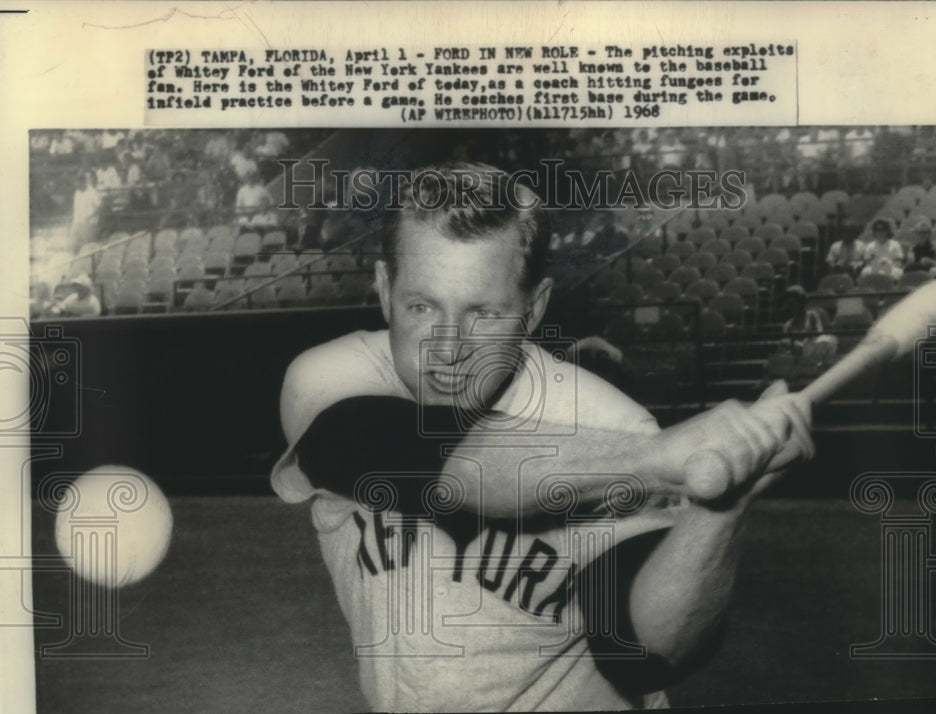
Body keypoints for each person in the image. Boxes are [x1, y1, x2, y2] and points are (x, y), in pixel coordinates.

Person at [271, 163, 813, 711]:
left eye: (483, 313)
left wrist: (719, 507)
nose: (447, 348)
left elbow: (644, 654)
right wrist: (655, 457)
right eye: (422, 306)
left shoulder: (607, 425)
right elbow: (428, 458)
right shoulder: (330, 378)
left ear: (533, 309)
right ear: (385, 289)